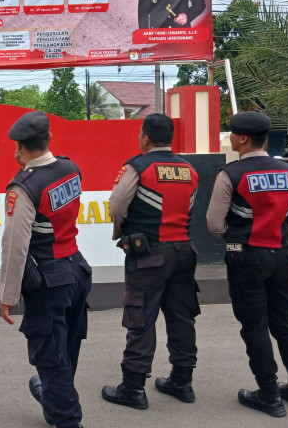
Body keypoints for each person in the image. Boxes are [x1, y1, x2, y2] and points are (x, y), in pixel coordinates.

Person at [206, 111, 288, 417]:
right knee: (285, 323)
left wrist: (238, 242)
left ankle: (269, 394)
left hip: (247, 258)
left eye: (231, 134)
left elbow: (214, 224)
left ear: (241, 139)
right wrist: (276, 238)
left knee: (254, 326)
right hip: (282, 255)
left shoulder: (231, 174)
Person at [0, 110, 92, 428]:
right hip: (78, 270)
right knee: (65, 350)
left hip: (50, 280)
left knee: (51, 359)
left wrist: (8, 295)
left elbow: (15, 247)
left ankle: (68, 419)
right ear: (49, 139)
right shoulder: (71, 168)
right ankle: (55, 401)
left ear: (18, 149)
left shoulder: (23, 187)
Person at [102, 113, 200, 410]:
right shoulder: (189, 169)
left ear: (145, 137)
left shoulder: (138, 166)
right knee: (182, 317)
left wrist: (123, 233)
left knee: (141, 318)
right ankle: (182, 381)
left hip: (148, 254)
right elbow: (190, 206)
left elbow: (116, 206)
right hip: (184, 251)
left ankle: (132, 388)